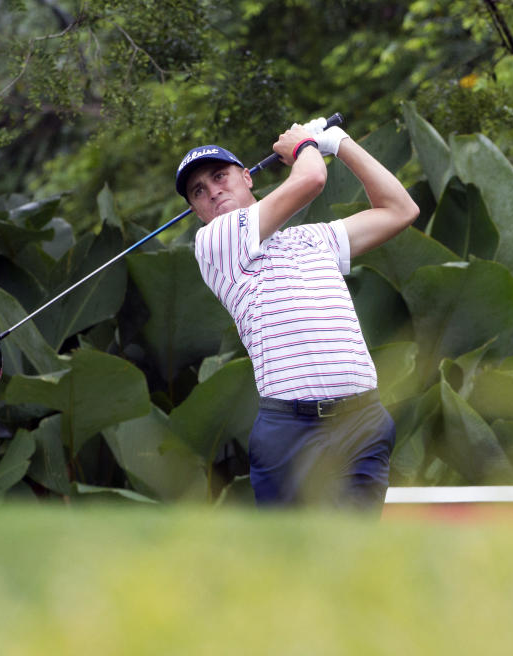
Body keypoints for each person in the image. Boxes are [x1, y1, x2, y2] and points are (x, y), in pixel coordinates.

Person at [174, 118, 419, 510]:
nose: (213, 191)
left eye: (220, 176)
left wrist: (340, 143)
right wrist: (306, 144)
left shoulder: (315, 238)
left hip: (361, 419)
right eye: (199, 191)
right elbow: (310, 181)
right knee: (293, 561)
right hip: (291, 429)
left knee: (356, 555)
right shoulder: (216, 242)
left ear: (247, 178)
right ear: (196, 211)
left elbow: (400, 209)